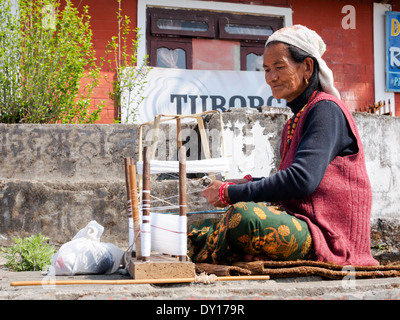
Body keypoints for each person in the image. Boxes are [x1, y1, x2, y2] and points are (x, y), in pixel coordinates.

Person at [188, 25, 378, 266]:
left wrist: (229, 193)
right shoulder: (294, 122)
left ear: (307, 67)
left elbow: (301, 180)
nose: (271, 77)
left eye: (279, 67)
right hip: (299, 222)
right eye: (266, 69)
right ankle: (231, 250)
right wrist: (245, 183)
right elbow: (289, 182)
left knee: (244, 218)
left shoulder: (327, 110)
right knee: (202, 225)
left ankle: (220, 251)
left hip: (329, 237)